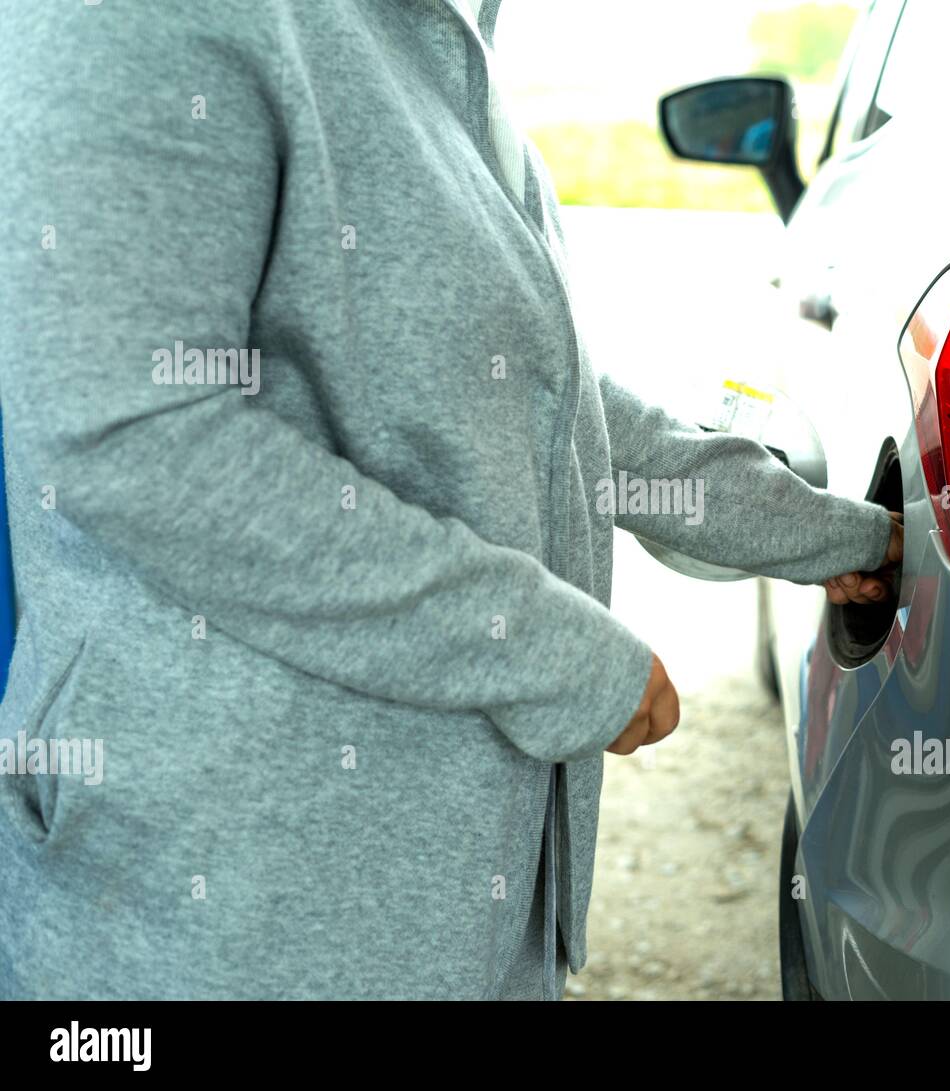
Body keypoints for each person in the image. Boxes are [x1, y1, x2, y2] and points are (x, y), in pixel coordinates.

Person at [0, 0, 901, 1000]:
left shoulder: (417, 37)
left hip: (456, 902)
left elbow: (526, 398)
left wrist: (821, 534)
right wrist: (551, 651)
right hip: (226, 914)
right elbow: (139, 443)